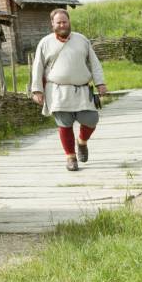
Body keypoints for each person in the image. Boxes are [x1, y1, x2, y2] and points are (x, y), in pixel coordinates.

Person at [30, 9, 107, 171]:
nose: (62, 25)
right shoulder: (45, 43)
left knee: (91, 119)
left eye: (64, 21)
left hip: (82, 91)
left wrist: (100, 82)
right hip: (57, 92)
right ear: (52, 24)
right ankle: (71, 157)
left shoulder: (82, 40)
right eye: (58, 22)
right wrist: (37, 90)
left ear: (69, 21)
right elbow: (37, 67)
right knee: (64, 125)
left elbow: (94, 63)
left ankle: (82, 141)